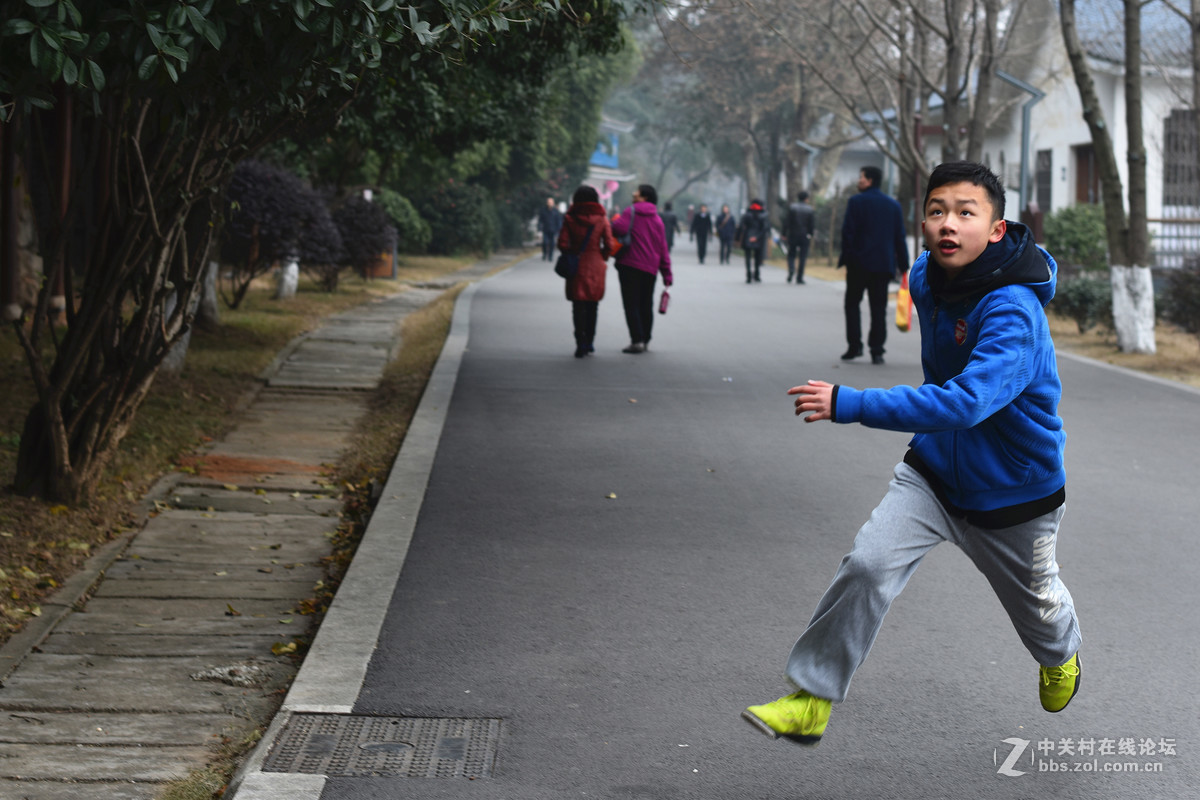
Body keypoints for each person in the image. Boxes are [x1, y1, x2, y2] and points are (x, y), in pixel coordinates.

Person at [742, 161, 1081, 748]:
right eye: (936, 211)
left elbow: (966, 403)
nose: (948, 224)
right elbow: (919, 296)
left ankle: (1062, 657)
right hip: (931, 475)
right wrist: (904, 305)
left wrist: (852, 402)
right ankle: (810, 700)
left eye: (966, 213)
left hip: (1014, 494)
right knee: (868, 565)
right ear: (922, 222)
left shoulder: (1013, 313)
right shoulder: (928, 274)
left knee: (1042, 616)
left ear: (996, 230)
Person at [838, 166, 908, 364]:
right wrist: (904, 265)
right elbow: (899, 237)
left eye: (861, 177)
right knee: (879, 308)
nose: (859, 180)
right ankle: (877, 350)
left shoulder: (855, 202)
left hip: (858, 264)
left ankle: (854, 346)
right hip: (882, 265)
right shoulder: (893, 205)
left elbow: (848, 233)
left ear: (869, 180)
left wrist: (847, 257)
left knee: (852, 304)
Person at [557, 185, 619, 358]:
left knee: (577, 306)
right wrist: (603, 257)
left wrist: (571, 253)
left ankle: (580, 342)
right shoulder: (602, 219)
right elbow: (609, 244)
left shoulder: (570, 218)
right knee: (593, 305)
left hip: (577, 265)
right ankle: (590, 341)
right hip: (596, 264)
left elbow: (562, 243)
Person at [610, 185, 673, 354]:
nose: (633, 193)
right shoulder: (657, 220)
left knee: (631, 304)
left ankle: (636, 340)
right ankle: (645, 339)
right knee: (646, 304)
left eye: (637, 192)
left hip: (629, 265)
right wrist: (667, 274)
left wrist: (614, 221)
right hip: (650, 269)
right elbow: (663, 249)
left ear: (644, 197)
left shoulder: (630, 212)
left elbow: (618, 229)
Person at [784, 191, 816, 284]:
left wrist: (784, 233)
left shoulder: (792, 207)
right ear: (806, 198)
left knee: (791, 254)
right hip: (804, 235)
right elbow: (811, 224)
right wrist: (811, 234)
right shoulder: (810, 209)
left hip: (793, 234)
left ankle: (791, 269)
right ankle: (800, 277)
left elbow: (787, 222)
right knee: (803, 256)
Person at [736, 199, 770, 283]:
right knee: (757, 257)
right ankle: (757, 274)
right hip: (759, 238)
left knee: (747, 257)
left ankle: (748, 274)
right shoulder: (763, 215)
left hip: (748, 237)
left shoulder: (747, 214)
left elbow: (740, 226)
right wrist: (757, 237)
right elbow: (765, 228)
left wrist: (737, 238)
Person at [537, 197, 563, 262]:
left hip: (553, 230)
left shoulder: (555, 211)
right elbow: (540, 220)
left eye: (551, 202)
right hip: (545, 230)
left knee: (552, 244)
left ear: (553, 203)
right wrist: (539, 229)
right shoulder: (543, 210)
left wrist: (558, 230)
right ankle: (545, 253)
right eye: (549, 202)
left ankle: (550, 256)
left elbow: (558, 221)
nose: (550, 204)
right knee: (545, 242)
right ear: (547, 203)